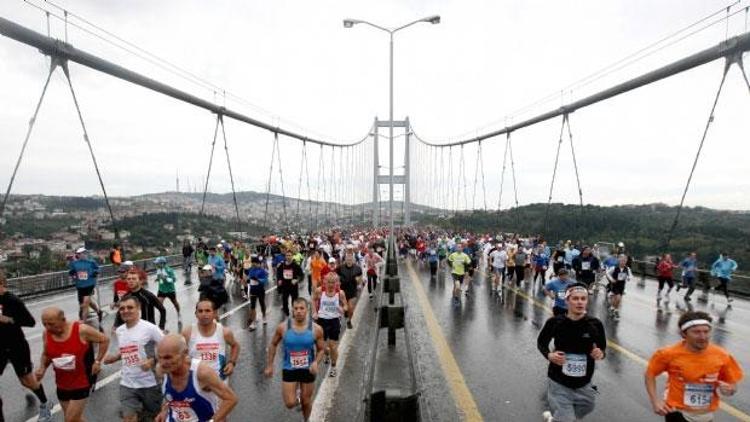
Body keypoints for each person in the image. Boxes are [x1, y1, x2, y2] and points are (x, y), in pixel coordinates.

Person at [645, 311, 744, 421]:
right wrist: (655, 401)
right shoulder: (667, 354)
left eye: (706, 332)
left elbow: (732, 385)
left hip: (707, 414)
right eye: (696, 332)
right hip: (677, 411)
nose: (703, 337)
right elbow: (650, 374)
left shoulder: (722, 355)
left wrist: (729, 390)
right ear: (683, 334)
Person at [538, 283, 606, 422]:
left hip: (584, 381)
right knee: (566, 418)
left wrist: (600, 353)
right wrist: (549, 355)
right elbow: (541, 343)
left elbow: (602, 348)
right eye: (575, 299)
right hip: (558, 380)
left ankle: (555, 418)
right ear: (567, 301)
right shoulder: (555, 322)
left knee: (588, 407)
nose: (580, 302)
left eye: (583, 298)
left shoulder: (595, 324)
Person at [36, 307, 110, 422]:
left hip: (82, 381)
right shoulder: (46, 334)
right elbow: (46, 354)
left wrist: (97, 361)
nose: (47, 327)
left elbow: (104, 340)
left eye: (51, 324)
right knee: (75, 419)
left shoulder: (81, 330)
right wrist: (42, 368)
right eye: (44, 324)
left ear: (63, 319)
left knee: (70, 419)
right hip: (62, 384)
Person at [102, 295, 164, 422]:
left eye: (130, 307)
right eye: (122, 308)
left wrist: (153, 360)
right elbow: (128, 349)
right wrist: (115, 357)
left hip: (149, 383)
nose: (125, 311)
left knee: (155, 418)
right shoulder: (120, 330)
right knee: (129, 418)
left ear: (138, 308)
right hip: (127, 383)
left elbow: (168, 348)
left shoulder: (149, 328)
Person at [0, 271, 52, 421]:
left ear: (2, 284)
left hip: (16, 346)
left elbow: (30, 322)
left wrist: (8, 320)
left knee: (27, 381)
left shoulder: (13, 300)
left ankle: (45, 403)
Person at [264, 298, 325, 421]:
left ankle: (306, 419)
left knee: (306, 402)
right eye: (296, 308)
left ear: (307, 310)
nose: (298, 311)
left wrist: (316, 362)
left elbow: (321, 349)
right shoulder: (283, 328)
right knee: (290, 403)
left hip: (308, 369)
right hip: (289, 368)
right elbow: (273, 344)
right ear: (292, 310)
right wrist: (270, 365)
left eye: (301, 308)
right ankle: (297, 396)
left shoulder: (316, 329)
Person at [155, 334, 237, 422]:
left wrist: (213, 420)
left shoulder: (202, 373)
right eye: (160, 357)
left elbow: (231, 399)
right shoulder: (162, 370)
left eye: (168, 357)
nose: (163, 363)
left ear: (185, 353)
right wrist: (164, 410)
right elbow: (169, 396)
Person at [182, 299, 240, 381]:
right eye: (200, 311)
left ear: (215, 313)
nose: (204, 314)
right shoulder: (188, 332)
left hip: (219, 381)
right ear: (196, 314)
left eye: (207, 311)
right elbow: (178, 353)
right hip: (196, 382)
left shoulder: (224, 332)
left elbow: (235, 345)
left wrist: (231, 363)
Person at [312, 273, 349, 377]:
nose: (331, 284)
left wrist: (343, 309)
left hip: (334, 320)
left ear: (337, 283)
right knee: (322, 347)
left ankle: (333, 367)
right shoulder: (320, 291)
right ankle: (326, 353)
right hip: (322, 320)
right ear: (325, 282)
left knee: (333, 346)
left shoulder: (340, 293)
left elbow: (345, 305)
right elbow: (313, 299)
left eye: (333, 282)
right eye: (329, 282)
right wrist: (314, 312)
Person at [68, 247, 103, 322]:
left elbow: (98, 269)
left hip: (89, 284)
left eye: (85, 253)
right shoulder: (75, 263)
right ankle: (99, 312)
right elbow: (71, 272)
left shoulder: (91, 262)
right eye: (82, 253)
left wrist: (95, 272)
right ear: (78, 255)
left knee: (85, 303)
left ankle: (83, 321)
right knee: (87, 302)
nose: (84, 255)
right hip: (80, 286)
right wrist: (72, 275)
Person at [336, 252, 362, 329]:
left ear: (353, 260)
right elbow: (336, 274)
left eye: (350, 259)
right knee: (342, 308)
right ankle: (339, 321)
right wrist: (338, 281)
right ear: (345, 260)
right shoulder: (340, 267)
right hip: (343, 291)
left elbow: (360, 276)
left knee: (350, 308)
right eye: (348, 259)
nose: (349, 260)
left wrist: (359, 282)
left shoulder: (357, 268)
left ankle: (349, 321)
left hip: (352, 290)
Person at [277, 251, 305, 317]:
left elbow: (302, 276)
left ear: (292, 256)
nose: (288, 257)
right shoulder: (282, 265)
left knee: (294, 301)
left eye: (290, 255)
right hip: (284, 286)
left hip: (293, 286)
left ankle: (294, 315)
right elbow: (279, 274)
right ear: (285, 256)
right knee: (284, 301)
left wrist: (297, 280)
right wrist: (279, 280)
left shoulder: (296, 265)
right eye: (287, 255)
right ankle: (286, 313)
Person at [245, 256, 269, 331]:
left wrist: (258, 279)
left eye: (255, 263)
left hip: (260, 290)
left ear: (258, 263)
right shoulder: (251, 270)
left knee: (262, 304)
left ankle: (264, 316)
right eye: (253, 263)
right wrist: (248, 279)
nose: (254, 264)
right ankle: (254, 322)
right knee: (252, 306)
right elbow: (248, 277)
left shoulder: (262, 271)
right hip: (253, 290)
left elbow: (265, 281)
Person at [605, 255, 632, 321]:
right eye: (621, 261)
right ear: (619, 261)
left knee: (617, 299)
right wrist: (611, 279)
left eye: (624, 261)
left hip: (622, 285)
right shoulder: (614, 268)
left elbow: (630, 276)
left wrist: (628, 278)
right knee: (618, 297)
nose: (623, 262)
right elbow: (607, 273)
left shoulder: (627, 269)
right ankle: (616, 311)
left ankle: (612, 308)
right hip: (615, 285)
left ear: (626, 261)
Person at [155, 257, 181, 322]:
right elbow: (159, 277)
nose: (156, 265)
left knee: (175, 303)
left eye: (157, 263)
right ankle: (163, 316)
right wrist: (158, 279)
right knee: (159, 304)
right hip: (161, 289)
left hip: (170, 290)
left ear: (162, 263)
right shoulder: (158, 269)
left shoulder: (169, 270)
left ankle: (178, 313)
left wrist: (166, 279)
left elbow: (174, 279)